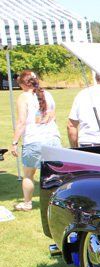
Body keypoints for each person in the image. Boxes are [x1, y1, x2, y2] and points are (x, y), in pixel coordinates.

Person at [9, 70, 61, 212]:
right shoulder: (48, 94)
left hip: (33, 140)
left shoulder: (23, 97)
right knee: (53, 174)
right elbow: (53, 116)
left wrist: (14, 142)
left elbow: (21, 122)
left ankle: (27, 203)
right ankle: (55, 204)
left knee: (28, 174)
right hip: (53, 138)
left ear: (23, 84)